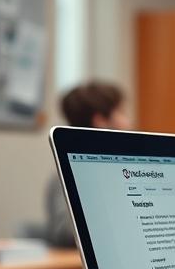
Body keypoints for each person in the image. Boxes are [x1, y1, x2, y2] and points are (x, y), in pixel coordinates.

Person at [45, 81, 131, 246]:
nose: (129, 121)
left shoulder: (119, 169)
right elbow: (65, 232)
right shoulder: (66, 172)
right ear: (100, 121)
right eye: (121, 112)